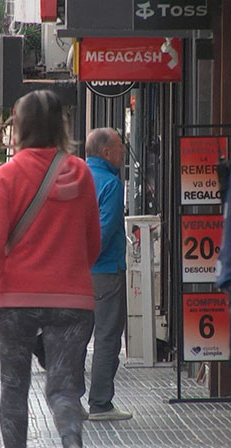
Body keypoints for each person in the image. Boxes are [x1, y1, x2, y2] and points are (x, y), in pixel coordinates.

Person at [0, 89, 100, 448]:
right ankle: (71, 441)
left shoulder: (9, 175)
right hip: (73, 300)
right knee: (64, 387)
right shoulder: (82, 172)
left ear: (20, 127)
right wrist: (71, 274)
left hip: (15, 299)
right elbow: (94, 242)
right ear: (61, 125)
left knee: (14, 386)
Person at [85, 128, 133, 421]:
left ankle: (68, 401)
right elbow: (104, 230)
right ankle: (100, 403)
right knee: (106, 338)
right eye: (119, 147)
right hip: (105, 272)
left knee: (75, 337)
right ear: (106, 153)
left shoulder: (74, 179)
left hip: (75, 273)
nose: (123, 151)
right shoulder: (112, 184)